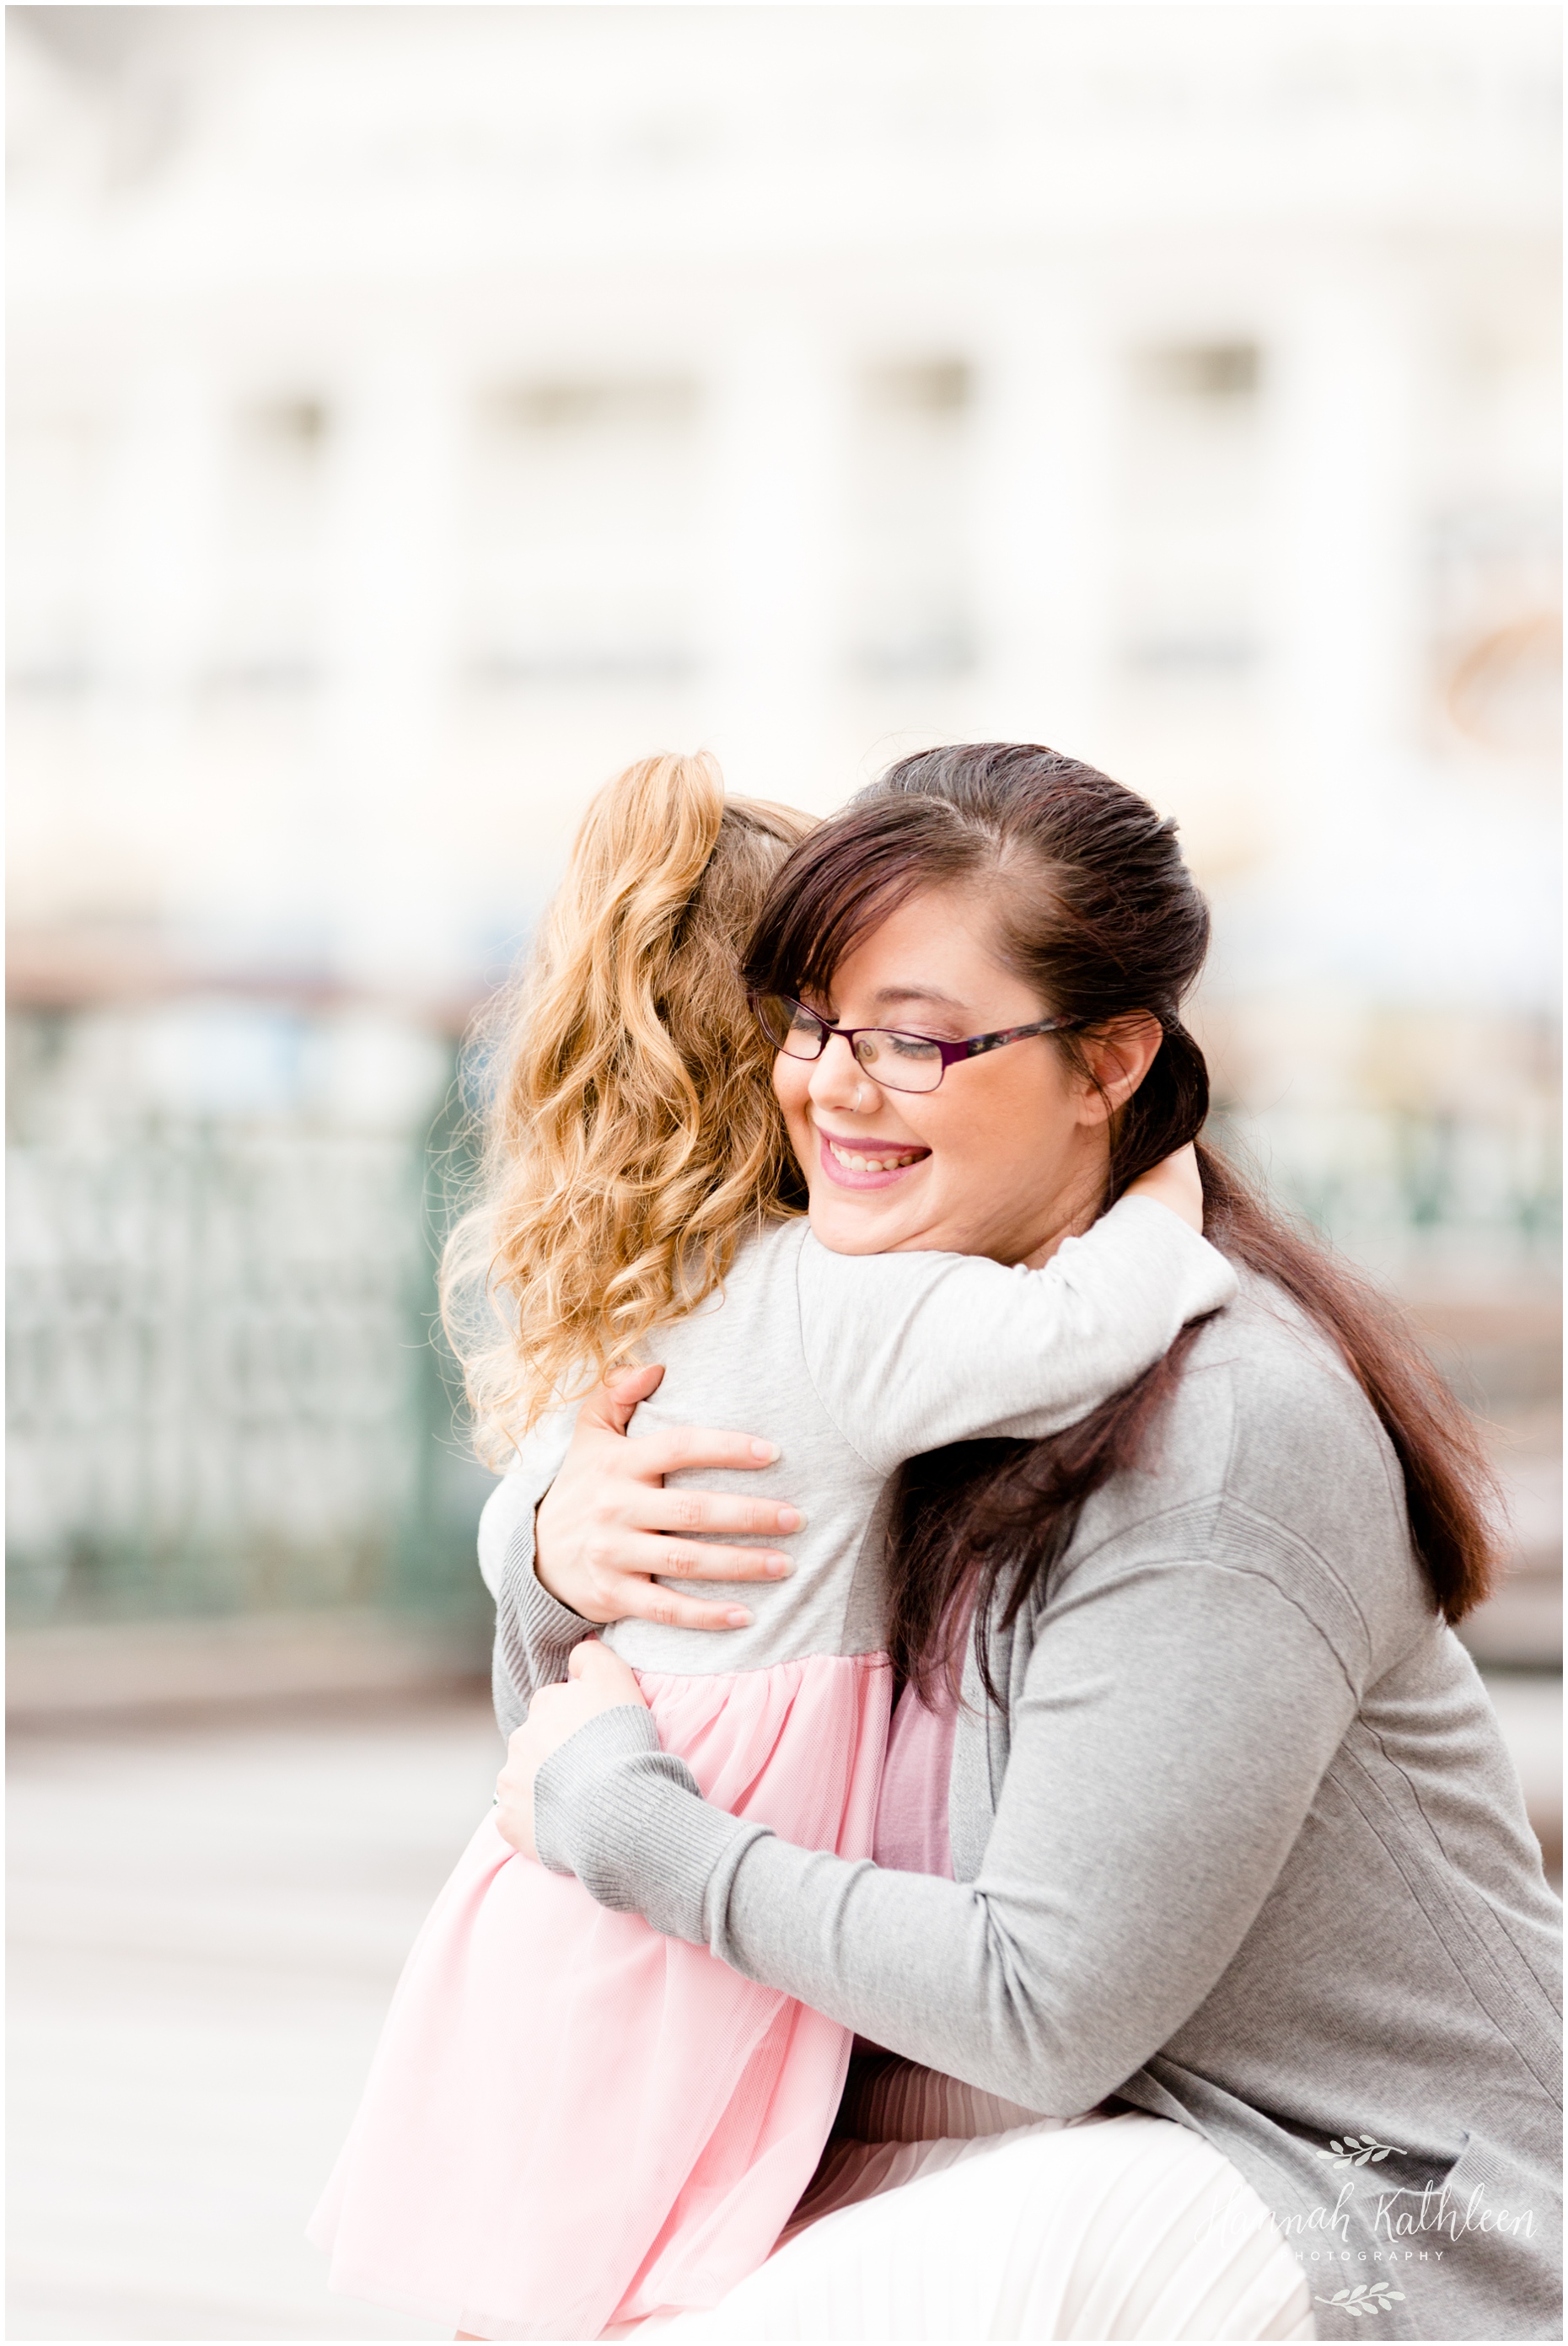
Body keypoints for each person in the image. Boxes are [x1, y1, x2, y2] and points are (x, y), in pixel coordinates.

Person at [495, 744, 1563, 2344]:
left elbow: (1042, 2007)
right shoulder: (881, 1345)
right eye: (811, 1023)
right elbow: (561, 1763)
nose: (836, 1087)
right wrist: (550, 1565)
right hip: (1029, 2127)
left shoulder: (1217, 1428)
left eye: (918, 1042)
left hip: (1378, 2195)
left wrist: (634, 1827)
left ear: (1110, 1062)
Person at [307, 751, 1237, 2342]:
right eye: (836, 1022)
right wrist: (1163, 1190)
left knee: (559, 2243)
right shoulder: (830, 1301)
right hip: (701, 1829)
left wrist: (526, 1532)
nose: (856, 1067)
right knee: (658, 2242)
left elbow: (546, 1500)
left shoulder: (665, 1292)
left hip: (596, 1838)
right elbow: (1089, 1324)